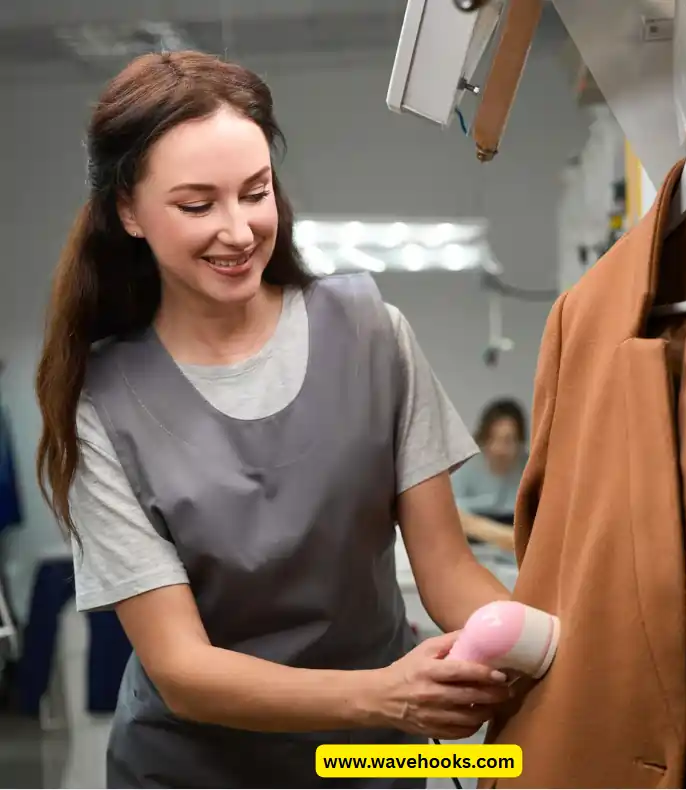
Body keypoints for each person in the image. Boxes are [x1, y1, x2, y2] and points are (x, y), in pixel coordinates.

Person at [34, 51, 514, 789]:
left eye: (255, 192)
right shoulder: (100, 403)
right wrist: (386, 694)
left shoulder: (372, 335)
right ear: (128, 211)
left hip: (369, 760)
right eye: (197, 205)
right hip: (191, 770)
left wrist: (543, 645)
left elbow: (448, 574)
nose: (238, 230)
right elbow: (185, 672)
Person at [451, 399, 528, 552]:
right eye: (492, 439)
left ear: (519, 441)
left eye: (507, 441)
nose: (498, 449)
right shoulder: (466, 467)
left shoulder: (530, 470)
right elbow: (451, 517)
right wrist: (508, 537)